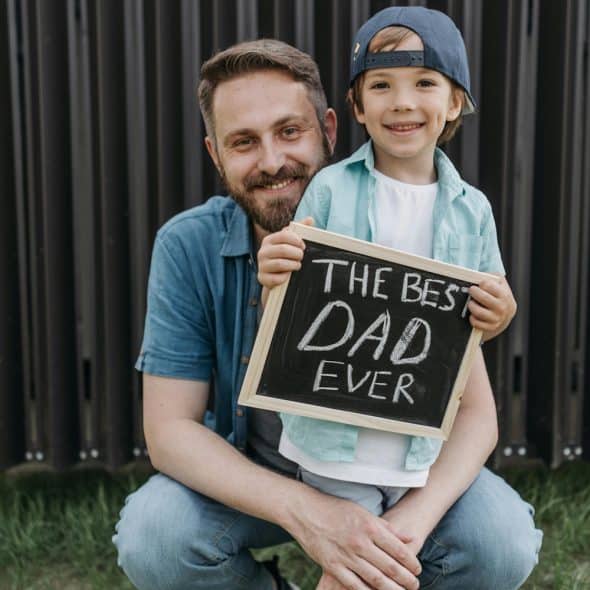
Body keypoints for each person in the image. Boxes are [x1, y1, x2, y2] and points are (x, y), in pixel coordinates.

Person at [112, 35, 540, 590]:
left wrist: (411, 522)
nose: (272, 161)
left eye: (290, 132)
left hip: (396, 475)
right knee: (155, 537)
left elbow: (478, 415)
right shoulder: (187, 244)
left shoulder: (406, 226)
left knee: (500, 542)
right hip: (258, 472)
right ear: (215, 154)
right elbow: (169, 430)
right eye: (243, 142)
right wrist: (309, 511)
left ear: (331, 130)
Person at [257, 7, 543, 590]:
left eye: (425, 84)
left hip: (418, 444)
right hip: (335, 444)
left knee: (389, 569)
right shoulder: (332, 188)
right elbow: (292, 316)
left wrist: (499, 311)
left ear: (455, 101)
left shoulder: (473, 210)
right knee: (359, 573)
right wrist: (276, 279)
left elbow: (479, 319)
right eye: (381, 86)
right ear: (357, 108)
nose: (402, 102)